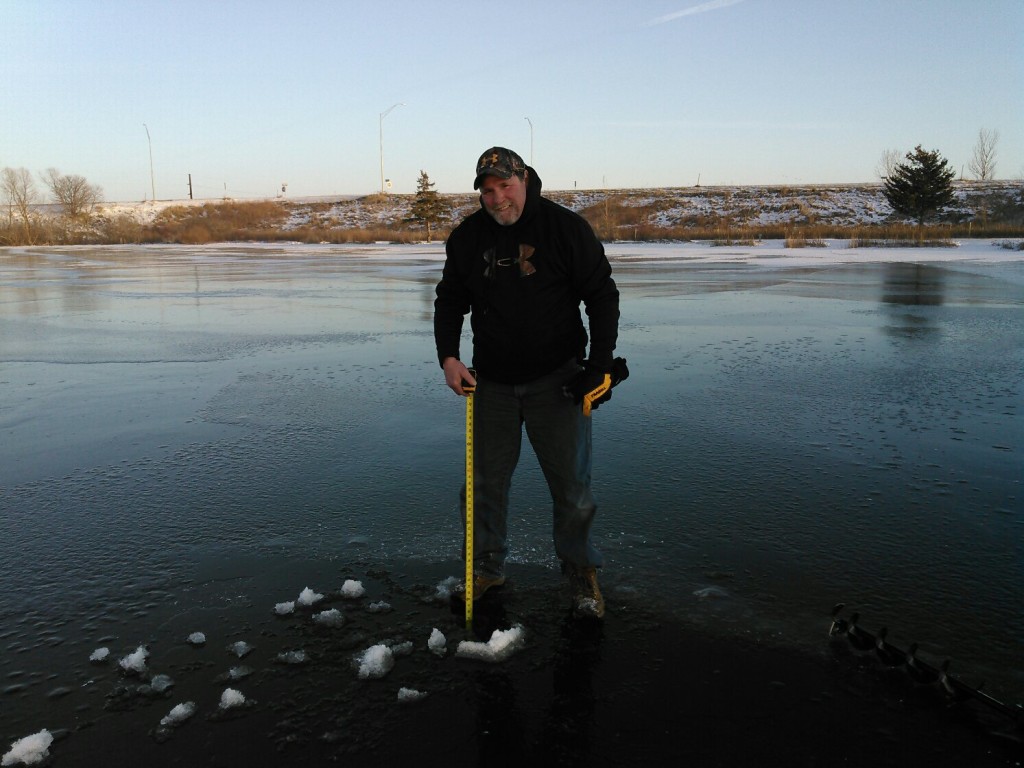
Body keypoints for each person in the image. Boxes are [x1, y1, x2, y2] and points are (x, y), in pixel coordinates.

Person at [433, 146, 624, 619]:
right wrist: (449, 357)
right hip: (490, 384)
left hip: (557, 380)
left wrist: (598, 366)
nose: (497, 199)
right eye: (488, 191)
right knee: (481, 487)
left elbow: (602, 294)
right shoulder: (467, 238)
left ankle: (581, 573)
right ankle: (485, 569)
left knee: (572, 489)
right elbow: (449, 299)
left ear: (524, 180)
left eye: (505, 187)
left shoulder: (565, 229)